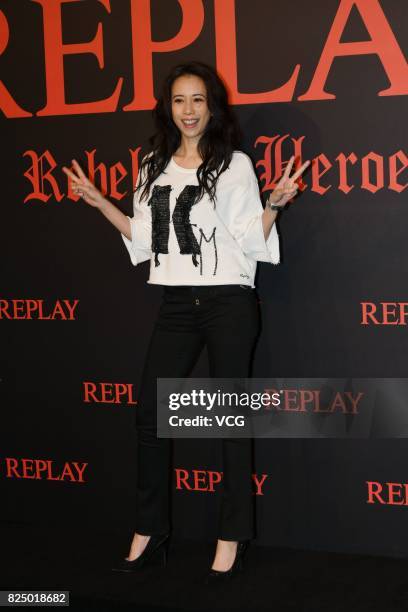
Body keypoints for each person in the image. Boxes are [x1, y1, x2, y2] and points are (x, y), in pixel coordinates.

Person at [63, 61, 309, 583]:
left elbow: (247, 238)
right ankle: (150, 532)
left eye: (198, 99)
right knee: (150, 417)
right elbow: (145, 238)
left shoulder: (235, 164)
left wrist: (274, 204)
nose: (189, 110)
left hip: (228, 304)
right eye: (179, 100)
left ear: (211, 106)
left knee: (229, 420)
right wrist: (99, 201)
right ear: (168, 107)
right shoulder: (152, 163)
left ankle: (232, 537)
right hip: (177, 303)